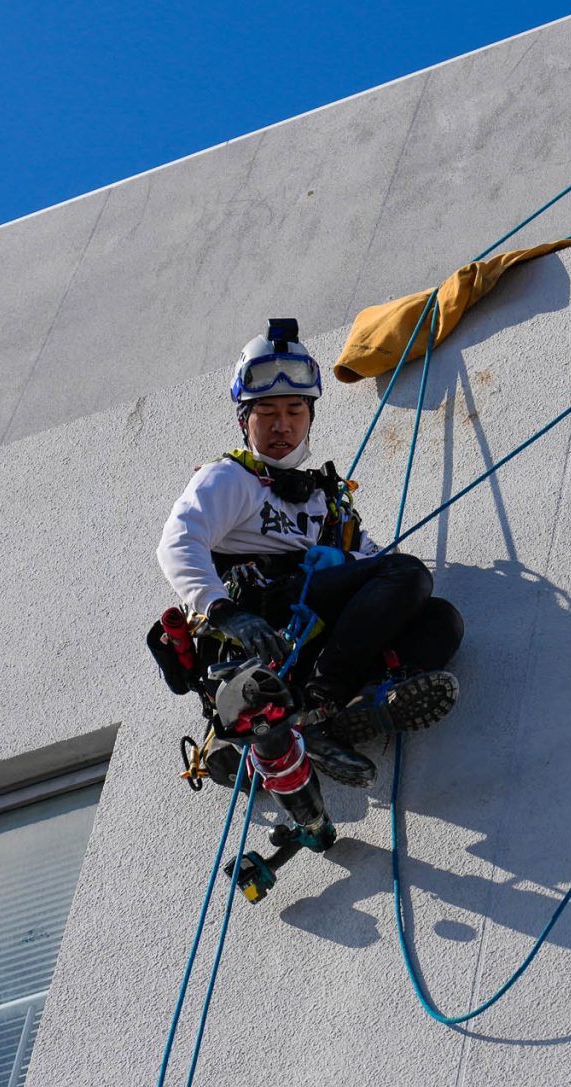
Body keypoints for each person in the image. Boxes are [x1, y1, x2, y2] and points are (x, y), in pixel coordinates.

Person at [155, 319, 462, 780]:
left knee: (441, 619)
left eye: (295, 412)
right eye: (267, 413)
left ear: (310, 418)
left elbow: (373, 563)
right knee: (408, 573)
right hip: (266, 623)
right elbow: (178, 541)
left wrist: (346, 559)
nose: (282, 426)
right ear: (244, 420)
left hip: (318, 632)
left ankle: (356, 704)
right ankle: (321, 704)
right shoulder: (231, 479)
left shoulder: (325, 501)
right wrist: (226, 613)